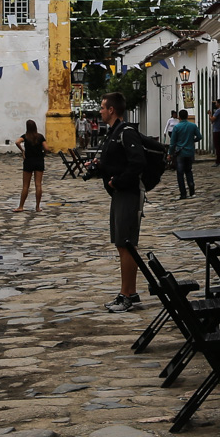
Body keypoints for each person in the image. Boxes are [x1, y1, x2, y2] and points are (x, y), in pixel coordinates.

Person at [86, 92, 143, 312]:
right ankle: (131, 292)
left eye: (102, 107)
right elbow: (118, 161)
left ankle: (125, 295)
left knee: (126, 244)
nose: (100, 111)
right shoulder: (114, 133)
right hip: (120, 193)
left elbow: (137, 162)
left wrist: (116, 181)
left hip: (127, 193)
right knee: (122, 245)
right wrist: (100, 167)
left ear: (111, 110)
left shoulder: (126, 132)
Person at [14, 119, 47, 212]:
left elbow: (17, 142)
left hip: (28, 161)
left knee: (25, 186)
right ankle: (37, 207)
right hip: (39, 161)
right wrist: (44, 154)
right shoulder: (40, 137)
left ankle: (21, 206)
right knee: (38, 185)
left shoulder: (25, 137)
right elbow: (47, 148)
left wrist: (22, 150)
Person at [169, 108, 200, 199]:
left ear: (179, 117)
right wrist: (192, 141)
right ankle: (192, 192)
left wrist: (169, 153)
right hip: (190, 152)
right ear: (187, 116)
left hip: (180, 152)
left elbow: (172, 142)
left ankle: (183, 193)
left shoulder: (177, 127)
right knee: (189, 171)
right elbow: (199, 136)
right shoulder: (193, 126)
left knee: (180, 173)